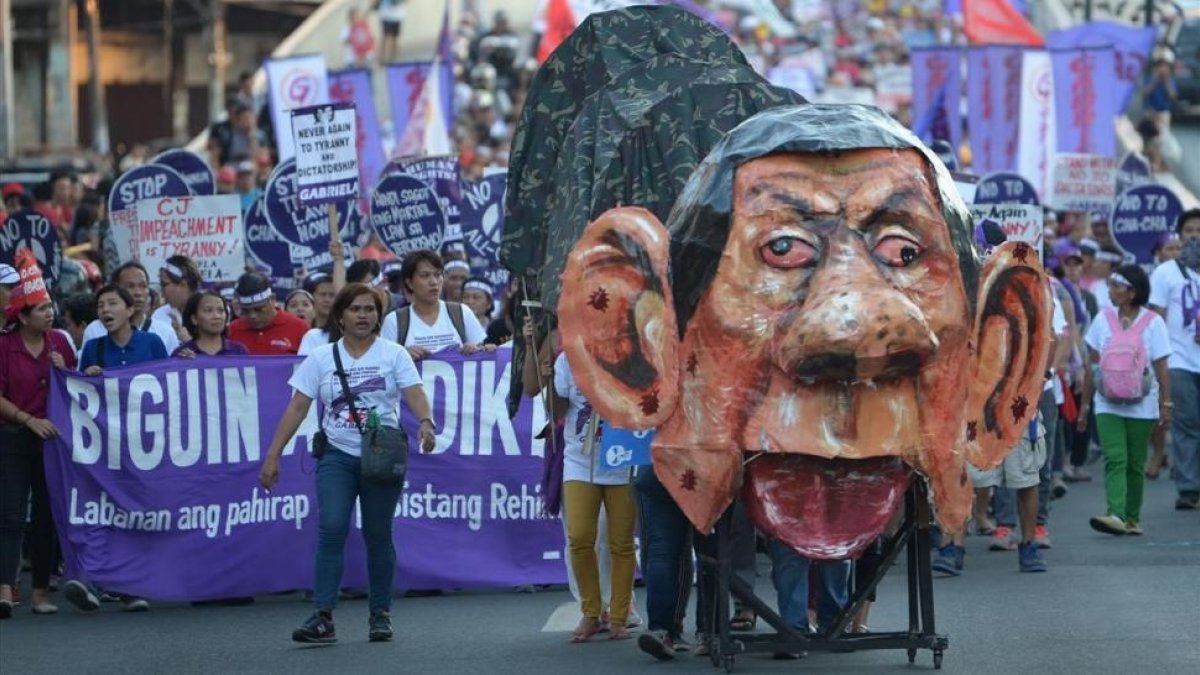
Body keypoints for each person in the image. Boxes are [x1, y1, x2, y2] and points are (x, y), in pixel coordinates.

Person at [259, 283, 436, 644]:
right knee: (332, 528)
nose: (363, 316)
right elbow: (297, 406)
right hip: (336, 455)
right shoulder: (322, 357)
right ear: (340, 316)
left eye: (370, 309)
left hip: (381, 456)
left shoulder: (394, 354)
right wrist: (273, 455)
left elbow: (414, 392)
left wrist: (426, 422)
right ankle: (322, 616)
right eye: (355, 309)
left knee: (377, 534)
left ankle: (380, 614)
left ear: (378, 316)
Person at [65, 285, 166, 613]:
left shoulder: (151, 343)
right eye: (101, 305)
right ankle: (93, 580)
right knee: (102, 511)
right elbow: (78, 395)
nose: (105, 310)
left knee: (137, 515)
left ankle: (132, 587)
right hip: (106, 448)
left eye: (112, 303)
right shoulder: (92, 349)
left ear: (129, 310)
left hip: (146, 448)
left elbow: (171, 385)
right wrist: (89, 377)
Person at [0, 252, 76, 617]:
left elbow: (76, 389)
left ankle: (41, 594)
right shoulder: (4, 345)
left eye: (50, 306)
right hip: (12, 437)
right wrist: (27, 420)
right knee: (12, 516)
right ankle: (6, 588)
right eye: (40, 308)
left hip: (51, 441)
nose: (49, 313)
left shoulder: (59, 343)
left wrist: (70, 371)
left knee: (46, 515)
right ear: (22, 315)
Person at [547, 348, 637, 642]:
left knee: (621, 542)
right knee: (580, 537)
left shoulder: (628, 354)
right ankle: (591, 611)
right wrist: (550, 383)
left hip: (622, 459)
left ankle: (619, 617)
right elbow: (556, 412)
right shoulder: (568, 359)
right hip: (579, 461)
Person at [1079, 265, 1172, 536]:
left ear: (1132, 291)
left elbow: (1162, 367)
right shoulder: (1102, 320)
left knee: (1134, 462)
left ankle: (1132, 518)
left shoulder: (1154, 322)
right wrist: (1085, 406)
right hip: (1106, 403)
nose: (1110, 291)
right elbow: (1091, 366)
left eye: (1116, 286)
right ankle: (1115, 513)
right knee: (1115, 458)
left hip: (1142, 406)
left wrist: (1166, 404)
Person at [1149, 208, 1200, 510]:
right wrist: (1157, 363)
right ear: (1180, 236)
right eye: (1190, 230)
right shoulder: (1165, 273)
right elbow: (1156, 319)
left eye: (1199, 230)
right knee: (1186, 424)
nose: (1195, 235)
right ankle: (1188, 487)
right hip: (1179, 360)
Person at [381, 250, 489, 359]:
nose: (433, 282)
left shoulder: (462, 312)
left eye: (437, 275)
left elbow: (484, 359)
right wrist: (402, 355)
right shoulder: (394, 321)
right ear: (409, 282)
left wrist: (475, 349)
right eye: (425, 276)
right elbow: (383, 365)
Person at [82, 262, 180, 354]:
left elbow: (172, 369)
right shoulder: (95, 331)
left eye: (143, 286)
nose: (138, 292)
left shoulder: (165, 332)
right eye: (130, 286)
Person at [227, 272, 310, 356]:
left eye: (259, 309)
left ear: (273, 300)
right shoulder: (232, 330)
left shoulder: (300, 328)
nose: (253, 316)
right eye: (246, 311)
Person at [172, 291, 249, 358]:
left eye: (221, 310)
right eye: (208, 310)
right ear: (194, 319)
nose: (217, 316)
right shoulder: (182, 354)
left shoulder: (238, 351)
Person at [154, 255, 202, 340]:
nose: (161, 291)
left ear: (183, 284)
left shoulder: (209, 313)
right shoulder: (159, 315)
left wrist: (189, 342)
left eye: (164, 284)